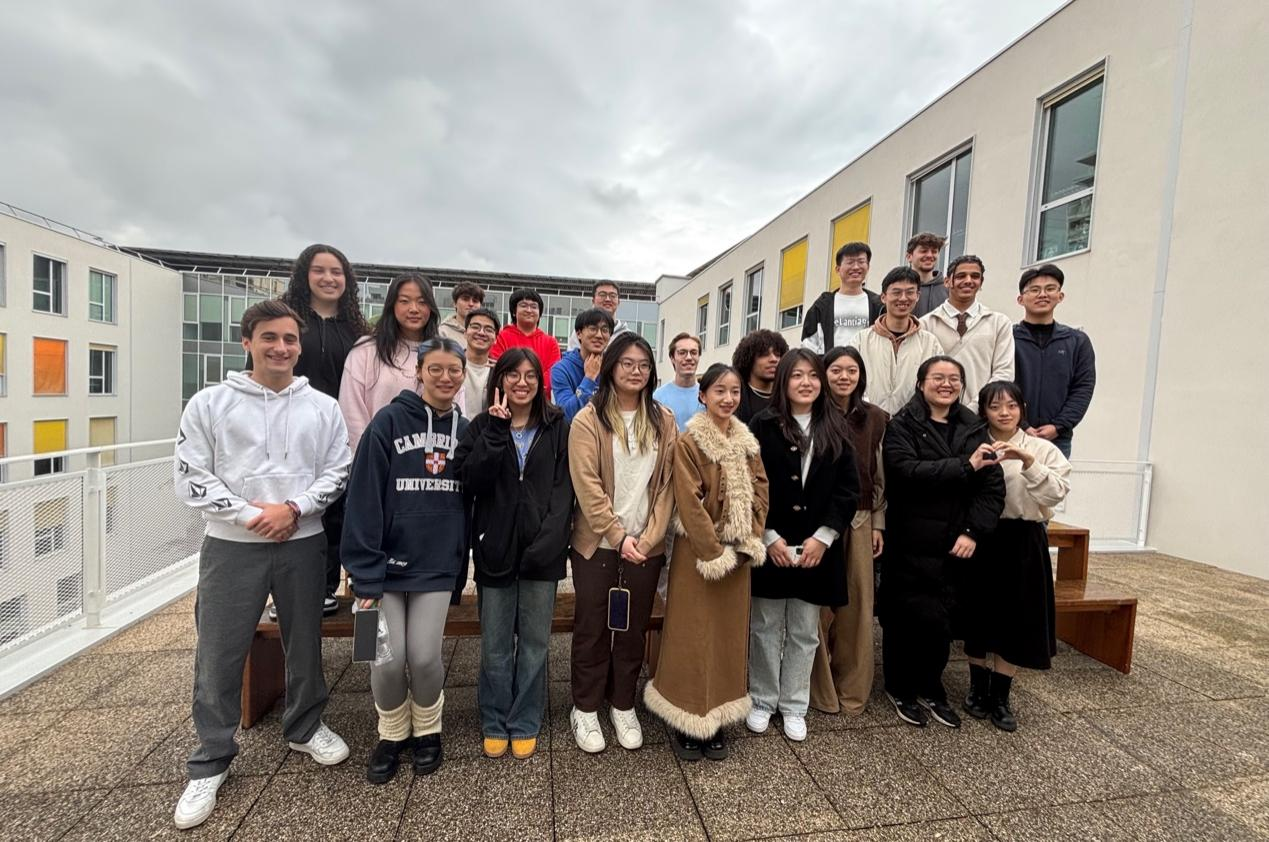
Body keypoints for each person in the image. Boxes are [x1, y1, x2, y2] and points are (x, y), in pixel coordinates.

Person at [172, 300, 351, 830]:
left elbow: (338, 469)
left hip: (304, 539)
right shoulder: (209, 403)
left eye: (289, 339)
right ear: (247, 342)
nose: (281, 348)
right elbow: (191, 475)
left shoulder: (322, 406)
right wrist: (253, 515)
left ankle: (305, 726)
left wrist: (294, 509)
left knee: (304, 641)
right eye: (269, 337)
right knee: (219, 650)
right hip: (232, 545)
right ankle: (211, 757)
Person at [341, 338, 470, 784]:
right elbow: (363, 498)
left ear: (463, 375)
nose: (445, 378)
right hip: (383, 568)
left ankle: (428, 728)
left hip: (436, 565)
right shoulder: (387, 422)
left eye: (454, 370)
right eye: (435, 369)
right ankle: (392, 732)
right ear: (419, 372)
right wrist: (363, 572)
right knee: (385, 658)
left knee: (425, 655)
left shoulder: (466, 430)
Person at [644, 363, 769, 761]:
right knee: (692, 633)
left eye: (734, 391)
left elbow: (761, 491)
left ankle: (717, 714)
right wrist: (714, 551)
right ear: (703, 395)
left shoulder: (747, 443)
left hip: (738, 553)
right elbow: (689, 501)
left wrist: (749, 537)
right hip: (698, 554)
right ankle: (686, 715)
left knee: (728, 636)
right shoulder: (689, 442)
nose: (728, 398)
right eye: (719, 391)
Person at [454, 348, 573, 760]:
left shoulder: (557, 426)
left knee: (536, 643)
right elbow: (470, 481)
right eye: (513, 375)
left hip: (543, 553)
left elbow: (564, 492)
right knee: (496, 643)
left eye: (530, 375)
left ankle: (525, 719)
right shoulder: (480, 426)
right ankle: (494, 717)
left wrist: (548, 544)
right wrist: (495, 432)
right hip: (495, 549)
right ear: (499, 380)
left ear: (540, 382)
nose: (522, 383)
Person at [880, 355, 1005, 729]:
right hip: (910, 539)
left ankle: (932, 688)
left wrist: (972, 532)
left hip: (955, 542)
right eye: (938, 377)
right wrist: (965, 466)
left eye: (954, 378)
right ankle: (900, 688)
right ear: (921, 384)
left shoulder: (973, 428)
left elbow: (992, 489)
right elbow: (905, 472)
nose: (946, 384)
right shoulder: (902, 424)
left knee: (941, 621)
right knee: (903, 619)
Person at [567, 332, 677, 754]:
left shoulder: (663, 420)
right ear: (611, 366)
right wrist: (617, 535)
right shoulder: (588, 420)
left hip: (646, 546)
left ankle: (622, 703)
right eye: (627, 363)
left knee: (632, 630)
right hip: (598, 544)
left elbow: (667, 485)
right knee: (592, 627)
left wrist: (648, 539)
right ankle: (585, 706)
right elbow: (587, 485)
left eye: (644, 364)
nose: (636, 371)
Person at [746, 349, 859, 742]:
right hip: (771, 543)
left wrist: (824, 538)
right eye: (797, 375)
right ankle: (762, 698)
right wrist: (768, 535)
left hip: (817, 546)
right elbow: (748, 485)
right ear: (784, 381)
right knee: (764, 626)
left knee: (805, 630)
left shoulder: (836, 426)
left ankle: (794, 703)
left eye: (812, 375)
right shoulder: (762, 424)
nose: (806, 382)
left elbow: (848, 490)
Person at [267, 244, 369, 616]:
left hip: (342, 431)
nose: (328, 278)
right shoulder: (287, 322)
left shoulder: (358, 330)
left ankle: (333, 584)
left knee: (340, 509)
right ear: (304, 276)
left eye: (336, 272)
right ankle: (291, 588)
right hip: (293, 430)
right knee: (297, 505)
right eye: (319, 270)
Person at [963, 381, 1071, 732]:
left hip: (1024, 537)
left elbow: (1057, 494)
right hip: (981, 535)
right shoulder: (971, 443)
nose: (1004, 413)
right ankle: (977, 687)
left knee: (1016, 616)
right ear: (983, 411)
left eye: (1011, 405)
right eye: (995, 406)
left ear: (1022, 408)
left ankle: (1001, 695)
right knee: (977, 612)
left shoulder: (1042, 448)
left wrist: (1028, 461)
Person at [808, 346, 889, 716]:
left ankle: (852, 690)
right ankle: (818, 690)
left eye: (851, 370)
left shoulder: (875, 418)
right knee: (816, 610)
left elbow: (879, 475)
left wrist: (877, 522)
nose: (844, 377)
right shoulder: (810, 414)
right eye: (836, 370)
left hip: (859, 519)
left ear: (861, 375)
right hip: (816, 521)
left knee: (856, 607)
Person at [339, 272, 443, 453]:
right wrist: (367, 456)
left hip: (429, 461)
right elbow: (351, 412)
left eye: (422, 302)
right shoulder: (366, 350)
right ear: (392, 305)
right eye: (404, 301)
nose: (414, 309)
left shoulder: (442, 353)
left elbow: (454, 410)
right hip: (375, 455)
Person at [1012, 264, 1096, 457]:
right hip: (1012, 434)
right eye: (1035, 290)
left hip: (1058, 439)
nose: (1042, 295)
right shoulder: (1007, 338)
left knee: (1054, 478)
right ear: (1020, 299)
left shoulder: (1077, 341)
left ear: (1060, 296)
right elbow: (999, 383)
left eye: (1050, 289)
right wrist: (1021, 424)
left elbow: (1083, 388)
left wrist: (1058, 426)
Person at [920, 255, 1014, 412]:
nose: (968, 281)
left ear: (981, 282)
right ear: (947, 281)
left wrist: (975, 408)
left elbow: (1004, 373)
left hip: (983, 414)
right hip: (936, 414)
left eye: (975, 276)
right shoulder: (926, 324)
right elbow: (921, 374)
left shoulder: (999, 323)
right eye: (961, 276)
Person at [855, 267, 945, 415]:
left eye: (910, 292)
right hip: (868, 421)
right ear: (883, 297)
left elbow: (937, 385)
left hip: (913, 424)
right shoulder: (860, 340)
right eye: (896, 292)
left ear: (917, 296)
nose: (903, 298)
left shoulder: (930, 343)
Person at [801, 242, 883, 354]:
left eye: (861, 262)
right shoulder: (822, 306)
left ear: (868, 267)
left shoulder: (878, 305)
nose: (856, 267)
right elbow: (809, 346)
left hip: (867, 365)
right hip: (832, 364)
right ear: (837, 269)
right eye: (850, 262)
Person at [490, 288, 562, 395]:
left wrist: (533, 388)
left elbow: (553, 373)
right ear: (514, 312)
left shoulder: (551, 342)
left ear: (539, 313)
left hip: (540, 398)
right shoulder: (501, 337)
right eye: (523, 305)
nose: (529, 310)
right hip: (507, 396)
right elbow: (497, 368)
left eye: (534, 307)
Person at [551, 308, 615, 421]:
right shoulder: (561, 369)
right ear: (579, 334)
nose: (599, 335)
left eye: (605, 330)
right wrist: (589, 378)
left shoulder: (614, 367)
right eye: (593, 329)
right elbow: (566, 415)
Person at [732, 329, 789, 423]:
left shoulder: (788, 395)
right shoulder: (735, 397)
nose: (774, 359)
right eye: (764, 354)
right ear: (749, 360)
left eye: (777, 354)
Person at [653, 332, 703, 432]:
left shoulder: (708, 396)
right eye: (682, 353)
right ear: (672, 358)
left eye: (693, 352)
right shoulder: (658, 397)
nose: (689, 358)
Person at [567, 280, 629, 351]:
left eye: (612, 296)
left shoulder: (626, 335)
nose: (608, 299)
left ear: (618, 302)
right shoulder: (582, 330)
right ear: (593, 300)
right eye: (602, 295)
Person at [463, 307, 500, 415]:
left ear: (496, 338)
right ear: (465, 332)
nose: (481, 333)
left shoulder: (499, 372)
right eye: (475, 327)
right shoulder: (451, 364)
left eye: (488, 329)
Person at [907, 232, 949, 317]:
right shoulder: (898, 288)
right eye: (924, 251)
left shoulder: (948, 290)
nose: (930, 255)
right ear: (909, 257)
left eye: (934, 251)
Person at [439, 280, 486, 347]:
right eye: (465, 299)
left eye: (475, 301)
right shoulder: (441, 333)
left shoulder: (486, 334)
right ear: (455, 303)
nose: (471, 304)